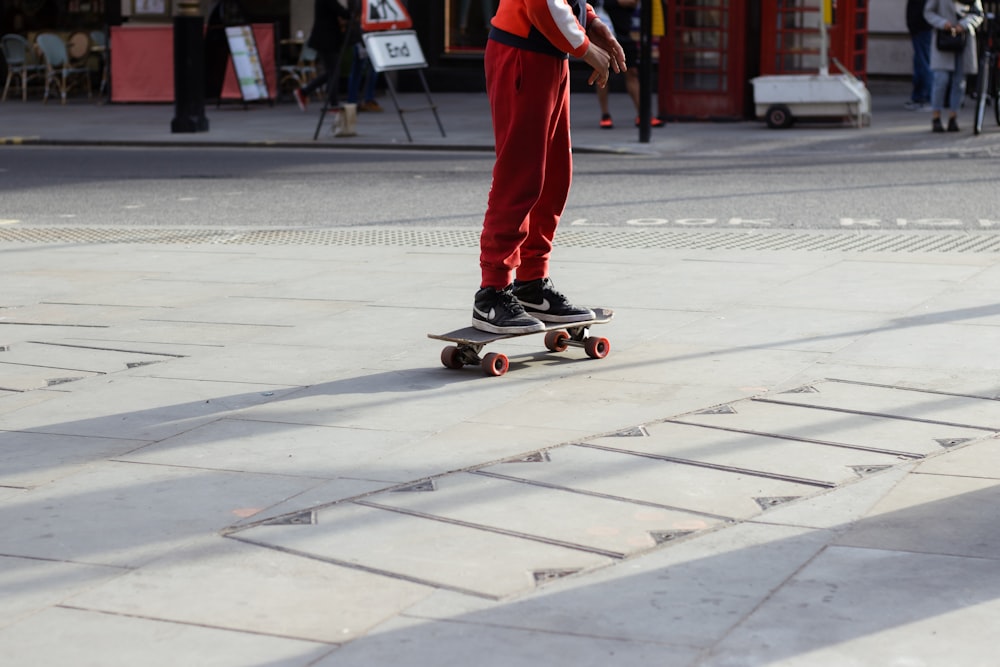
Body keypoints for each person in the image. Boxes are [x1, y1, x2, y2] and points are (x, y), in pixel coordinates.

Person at [472, 0, 625, 333]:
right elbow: (543, 3)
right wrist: (584, 46)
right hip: (523, 52)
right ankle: (492, 293)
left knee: (554, 177)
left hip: (549, 54)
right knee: (519, 177)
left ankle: (531, 284)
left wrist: (593, 23)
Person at [593, 0, 663, 128]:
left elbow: (631, 2)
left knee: (632, 73)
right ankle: (605, 114)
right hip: (603, 35)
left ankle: (643, 114)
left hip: (625, 34)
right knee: (602, 73)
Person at [924, 0, 984, 132]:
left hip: (963, 41)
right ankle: (936, 117)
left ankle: (953, 117)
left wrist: (964, 25)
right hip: (943, 39)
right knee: (941, 79)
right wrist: (943, 23)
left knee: (959, 82)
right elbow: (928, 12)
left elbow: (978, 14)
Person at [293, 0, 352, 112]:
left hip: (326, 39)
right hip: (326, 40)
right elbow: (343, 12)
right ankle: (333, 104)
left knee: (331, 71)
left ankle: (304, 92)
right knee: (334, 71)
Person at [905, 0, 933, 110]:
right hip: (918, 28)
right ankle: (918, 96)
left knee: (925, 64)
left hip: (922, 28)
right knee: (919, 64)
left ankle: (926, 97)